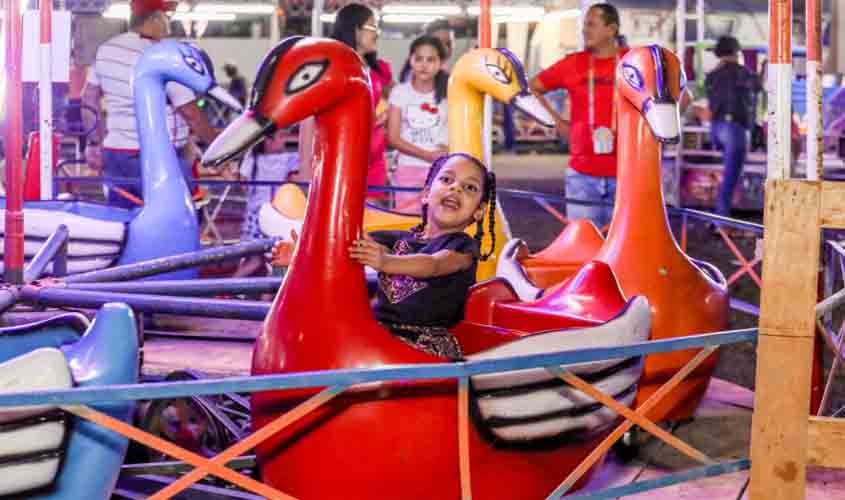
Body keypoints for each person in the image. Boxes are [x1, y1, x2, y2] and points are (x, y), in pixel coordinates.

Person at [349, 153, 496, 359]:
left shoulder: (463, 248)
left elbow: (433, 264)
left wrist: (386, 261)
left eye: (469, 187)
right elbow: (353, 240)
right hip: (380, 333)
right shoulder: (400, 240)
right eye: (446, 179)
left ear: (479, 211)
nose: (456, 188)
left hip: (425, 342)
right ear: (426, 194)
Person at [82, 0, 220, 209]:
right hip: (158, 157)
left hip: (116, 154)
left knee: (123, 217)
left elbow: (88, 99)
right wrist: (218, 148)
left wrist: (94, 143)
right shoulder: (163, 56)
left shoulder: (106, 50)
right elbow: (190, 112)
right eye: (167, 18)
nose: (169, 25)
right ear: (155, 18)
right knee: (177, 217)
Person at [528, 3, 627, 229]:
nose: (584, 30)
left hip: (627, 175)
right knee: (584, 245)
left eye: (591, 24)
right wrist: (556, 122)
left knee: (622, 247)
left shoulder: (633, 62)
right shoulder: (573, 63)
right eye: (584, 24)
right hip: (582, 175)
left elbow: (675, 92)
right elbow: (531, 88)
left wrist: (654, 131)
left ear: (611, 29)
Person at [387, 35, 449, 212]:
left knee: (437, 220)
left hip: (441, 171)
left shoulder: (449, 94)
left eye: (430, 60)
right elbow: (393, 138)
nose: (424, 65)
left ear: (441, 63)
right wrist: (427, 155)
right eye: (419, 59)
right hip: (407, 168)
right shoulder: (400, 92)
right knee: (406, 222)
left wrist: (445, 151)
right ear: (411, 60)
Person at [705, 36, 762, 220]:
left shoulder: (712, 75)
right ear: (737, 52)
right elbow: (758, 87)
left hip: (715, 128)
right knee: (731, 177)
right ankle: (720, 220)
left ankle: (718, 217)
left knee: (726, 175)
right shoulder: (744, 74)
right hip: (735, 130)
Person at [230, 128, 299, 278]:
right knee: (271, 260)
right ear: (268, 140)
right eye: (280, 137)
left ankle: (228, 286)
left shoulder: (251, 159)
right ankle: (265, 293)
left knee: (255, 260)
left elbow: (243, 185)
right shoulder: (287, 159)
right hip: (273, 215)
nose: (284, 140)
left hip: (253, 216)